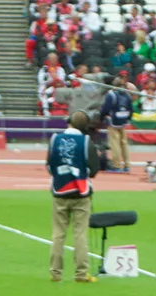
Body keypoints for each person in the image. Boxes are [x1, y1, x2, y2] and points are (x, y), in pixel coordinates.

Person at [48, 110, 98, 283]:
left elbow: (49, 166)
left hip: (59, 191)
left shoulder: (55, 139)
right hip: (81, 192)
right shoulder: (85, 142)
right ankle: (81, 273)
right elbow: (94, 170)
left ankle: (55, 273)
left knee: (58, 234)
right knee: (80, 234)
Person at [100, 75, 133, 171]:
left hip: (113, 122)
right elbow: (131, 109)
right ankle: (127, 165)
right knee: (124, 144)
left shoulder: (111, 94)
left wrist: (102, 116)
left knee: (115, 145)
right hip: (123, 122)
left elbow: (106, 108)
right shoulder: (127, 94)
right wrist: (127, 118)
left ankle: (117, 165)